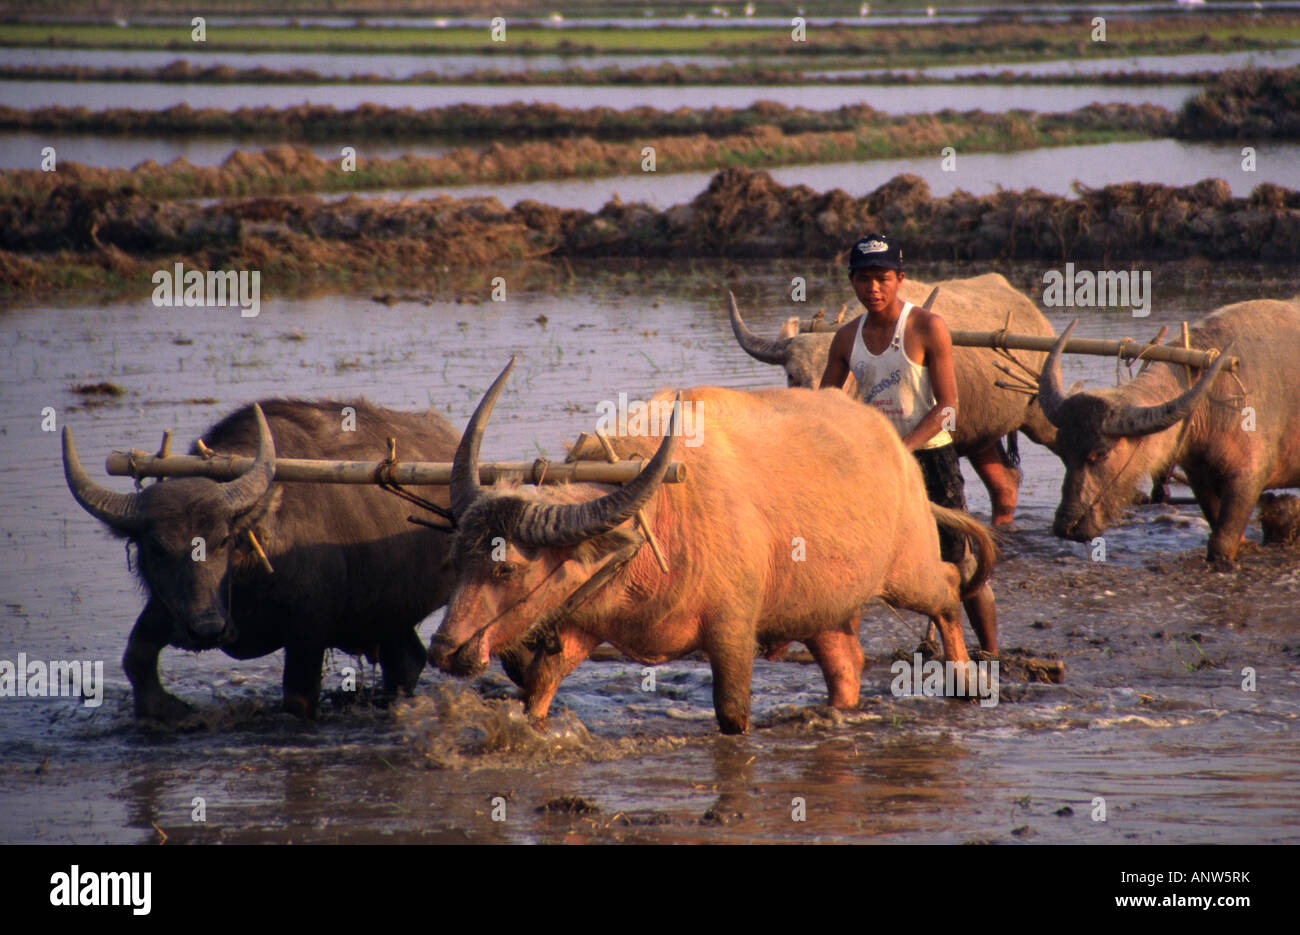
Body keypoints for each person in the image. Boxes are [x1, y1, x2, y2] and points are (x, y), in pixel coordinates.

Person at [819, 233, 997, 654]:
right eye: (863, 280)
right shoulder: (846, 338)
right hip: (878, 466)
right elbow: (822, 405)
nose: (873, 289)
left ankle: (990, 652)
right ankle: (850, 658)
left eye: (882, 278)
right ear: (852, 283)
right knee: (860, 562)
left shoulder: (926, 327)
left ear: (901, 279)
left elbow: (950, 407)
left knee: (958, 562)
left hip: (931, 458)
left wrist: (904, 450)